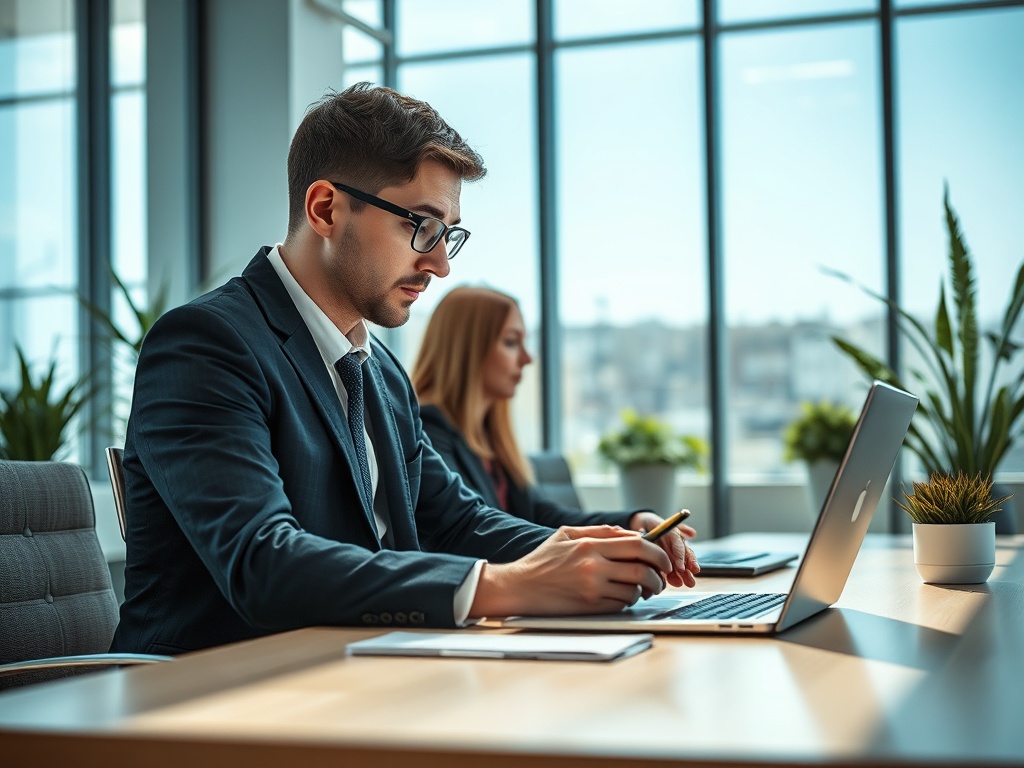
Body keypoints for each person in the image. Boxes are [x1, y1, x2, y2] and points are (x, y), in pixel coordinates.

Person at [110, 82, 698, 656]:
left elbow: (453, 521)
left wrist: (592, 549)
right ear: (325, 209)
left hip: (356, 675)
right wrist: (509, 585)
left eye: (449, 235)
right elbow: (263, 562)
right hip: (210, 696)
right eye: (421, 226)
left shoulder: (381, 373)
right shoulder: (207, 344)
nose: (440, 264)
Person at [412, 286, 698, 558]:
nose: (527, 358)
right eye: (511, 342)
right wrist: (600, 544)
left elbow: (544, 516)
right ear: (467, 350)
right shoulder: (425, 431)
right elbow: (475, 531)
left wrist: (634, 521)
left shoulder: (490, 441)